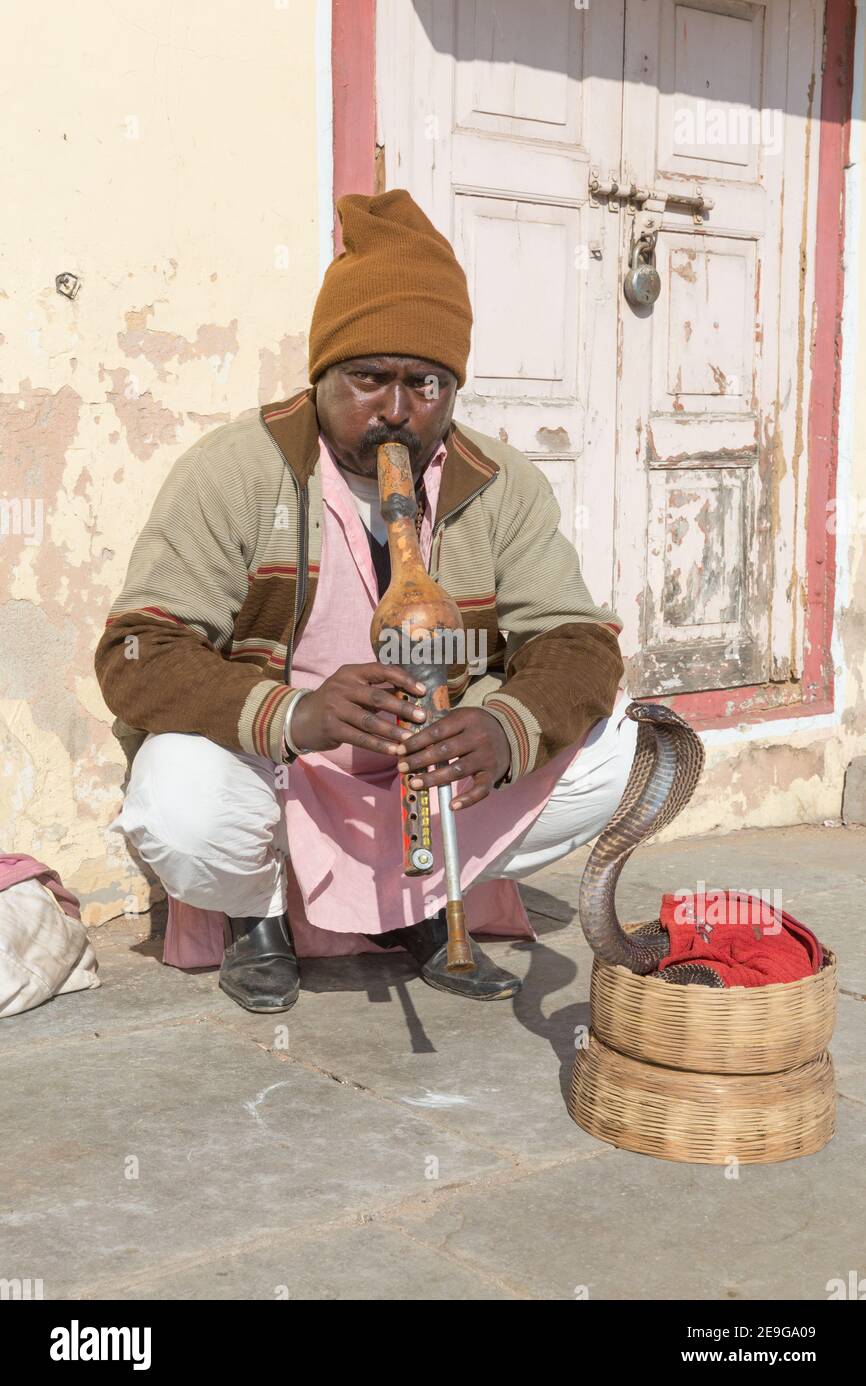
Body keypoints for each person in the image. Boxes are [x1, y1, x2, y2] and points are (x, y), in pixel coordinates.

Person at [94, 189, 637, 1015]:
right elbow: (136, 651)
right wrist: (294, 713)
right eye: (368, 379)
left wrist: (502, 728)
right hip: (285, 770)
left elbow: (578, 642)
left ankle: (418, 904)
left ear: (452, 387)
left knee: (617, 749)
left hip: (429, 775)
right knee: (176, 794)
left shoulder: (496, 481)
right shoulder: (237, 469)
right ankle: (259, 916)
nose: (395, 409)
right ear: (322, 374)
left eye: (426, 383)